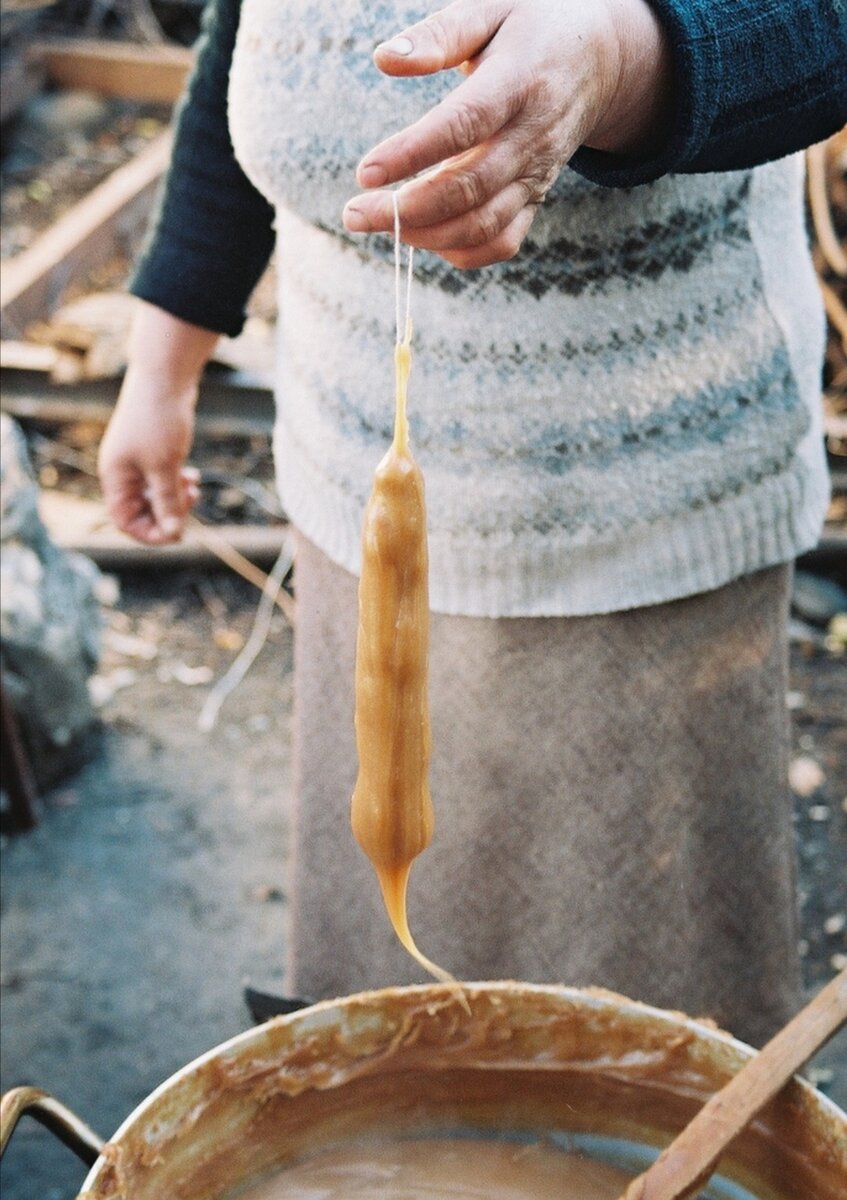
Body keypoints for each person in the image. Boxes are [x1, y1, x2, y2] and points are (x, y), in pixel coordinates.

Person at [98, 0, 847, 1046]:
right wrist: (165, 356)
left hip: (631, 540)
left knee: (624, 1032)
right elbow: (242, 40)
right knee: (387, 990)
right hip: (351, 499)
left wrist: (619, 58)